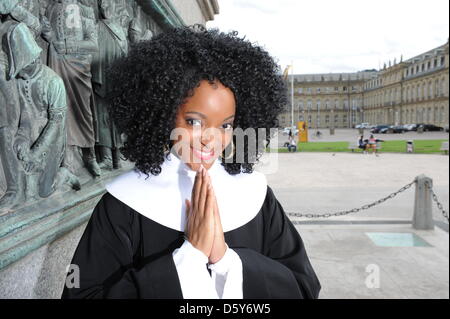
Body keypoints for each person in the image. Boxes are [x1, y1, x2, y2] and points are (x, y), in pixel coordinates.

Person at [61, 26, 320, 299]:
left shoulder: (256, 196)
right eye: (194, 121)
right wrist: (188, 258)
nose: (210, 139)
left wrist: (226, 261)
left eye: (226, 125)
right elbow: (80, 294)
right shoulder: (124, 203)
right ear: (164, 113)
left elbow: (303, 288)